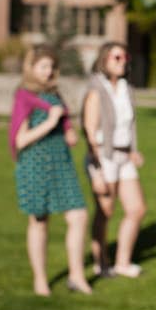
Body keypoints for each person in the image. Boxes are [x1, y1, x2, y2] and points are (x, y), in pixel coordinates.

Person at [9, 46, 92, 296]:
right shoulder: (24, 95)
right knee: (39, 222)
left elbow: (64, 123)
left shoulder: (55, 94)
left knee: (78, 216)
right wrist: (50, 122)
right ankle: (40, 280)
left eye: (51, 67)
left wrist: (68, 132)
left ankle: (76, 276)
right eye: (43, 66)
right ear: (31, 67)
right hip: (35, 165)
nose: (48, 72)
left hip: (61, 163)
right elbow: (20, 140)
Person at [82, 42, 147, 278]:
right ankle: (101, 262)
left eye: (124, 57)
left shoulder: (125, 88)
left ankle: (122, 262)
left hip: (123, 155)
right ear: (104, 60)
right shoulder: (96, 89)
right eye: (116, 57)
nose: (122, 61)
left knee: (137, 209)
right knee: (105, 211)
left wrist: (132, 150)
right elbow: (89, 131)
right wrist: (97, 170)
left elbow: (129, 125)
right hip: (103, 156)